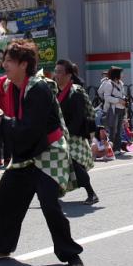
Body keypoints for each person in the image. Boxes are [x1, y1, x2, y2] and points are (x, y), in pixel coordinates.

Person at [0, 41, 85, 266]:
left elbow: (31, 128)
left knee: (49, 204)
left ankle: (71, 254)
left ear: (24, 64)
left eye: (9, 61)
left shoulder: (39, 88)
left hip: (48, 151)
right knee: (3, 197)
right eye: (4, 60)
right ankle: (1, 247)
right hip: (27, 152)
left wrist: (2, 119)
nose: (4, 65)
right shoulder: (9, 84)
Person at [54, 59, 99, 205]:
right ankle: (52, 192)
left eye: (60, 72)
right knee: (53, 163)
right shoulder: (55, 91)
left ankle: (91, 193)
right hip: (59, 135)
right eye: (56, 71)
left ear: (69, 76)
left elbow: (79, 117)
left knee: (74, 163)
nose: (56, 75)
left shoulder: (76, 92)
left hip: (74, 136)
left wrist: (66, 133)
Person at [98, 66, 127, 154]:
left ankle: (117, 149)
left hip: (121, 108)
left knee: (119, 129)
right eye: (121, 73)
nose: (123, 74)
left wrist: (124, 99)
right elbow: (107, 97)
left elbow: (123, 94)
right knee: (112, 130)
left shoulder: (121, 83)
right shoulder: (109, 84)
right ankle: (111, 148)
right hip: (113, 110)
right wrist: (118, 100)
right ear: (116, 74)